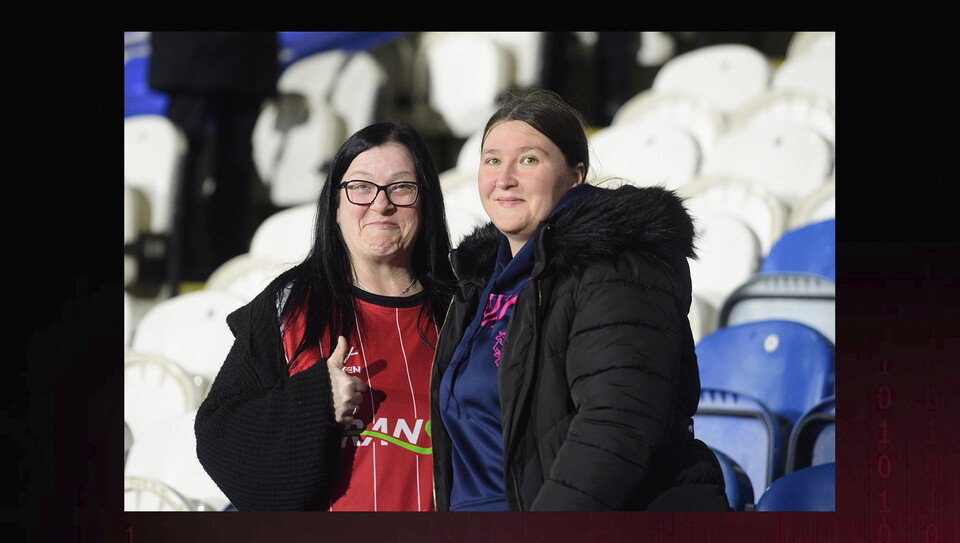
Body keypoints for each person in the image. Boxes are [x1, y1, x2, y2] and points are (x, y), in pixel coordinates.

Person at [429, 88, 731, 511]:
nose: (504, 178)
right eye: (492, 160)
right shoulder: (477, 283)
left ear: (575, 175)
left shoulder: (617, 266)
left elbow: (618, 425)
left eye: (529, 159)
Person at [195, 121, 456, 511]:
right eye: (361, 187)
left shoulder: (464, 311)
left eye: (401, 187)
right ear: (334, 206)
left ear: (426, 202)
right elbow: (218, 434)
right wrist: (316, 400)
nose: (380, 204)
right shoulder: (289, 305)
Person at [148, 32, 280, 293]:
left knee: (231, 163)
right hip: (196, 53)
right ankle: (176, 261)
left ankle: (224, 265)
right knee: (182, 161)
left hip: (239, 56)